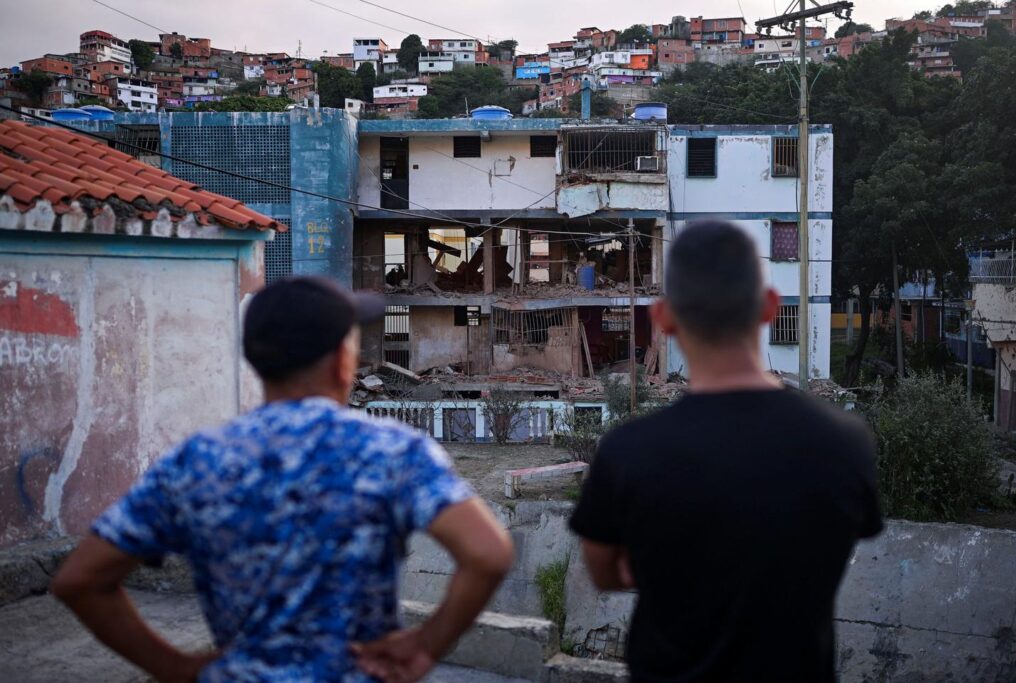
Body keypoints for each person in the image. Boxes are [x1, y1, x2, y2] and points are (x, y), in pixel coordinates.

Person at [52, 276, 514, 683]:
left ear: (256, 362)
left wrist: (172, 668)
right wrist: (426, 644)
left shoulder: (197, 460)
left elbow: (79, 580)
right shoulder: (391, 450)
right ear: (342, 362)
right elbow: (488, 553)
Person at [569, 220, 882, 682]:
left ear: (663, 318)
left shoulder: (627, 452)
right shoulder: (845, 442)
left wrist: (667, 565)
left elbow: (603, 572)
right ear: (770, 306)